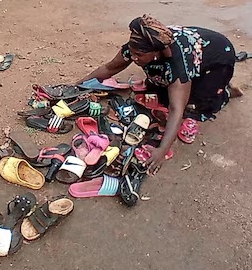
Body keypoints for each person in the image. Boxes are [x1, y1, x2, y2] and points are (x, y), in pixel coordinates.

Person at [80, 15, 241, 170]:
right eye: (132, 53)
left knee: (190, 105)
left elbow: (176, 109)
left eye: (139, 55)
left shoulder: (179, 63)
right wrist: (79, 85)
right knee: (160, 89)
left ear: (156, 52)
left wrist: (162, 150)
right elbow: (110, 68)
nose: (134, 58)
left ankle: (223, 90)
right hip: (193, 54)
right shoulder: (141, 44)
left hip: (218, 58)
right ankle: (200, 83)